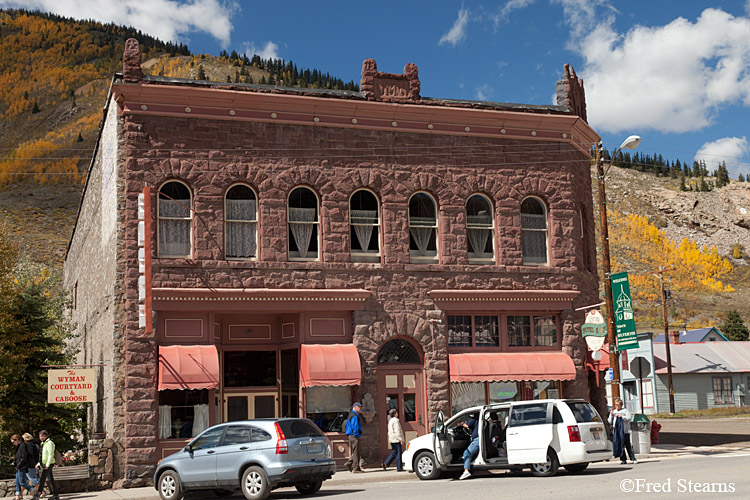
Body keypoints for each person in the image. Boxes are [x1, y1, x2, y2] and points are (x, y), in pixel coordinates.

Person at [609, 398, 637, 464]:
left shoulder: (625, 411)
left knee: (628, 445)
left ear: (621, 405)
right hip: (617, 431)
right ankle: (623, 459)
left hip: (625, 431)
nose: (616, 406)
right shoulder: (614, 411)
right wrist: (611, 414)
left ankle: (633, 458)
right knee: (620, 445)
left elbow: (629, 418)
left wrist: (622, 417)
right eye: (615, 405)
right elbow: (609, 421)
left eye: (618, 405)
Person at [33, 430, 59, 500]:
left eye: (42, 436)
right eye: (40, 436)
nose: (41, 437)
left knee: (42, 480)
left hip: (49, 464)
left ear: (46, 436)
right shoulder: (43, 443)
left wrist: (47, 464)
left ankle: (37, 496)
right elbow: (42, 455)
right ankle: (56, 495)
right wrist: (39, 463)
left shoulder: (49, 443)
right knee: (50, 479)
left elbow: (50, 454)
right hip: (45, 464)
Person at [12, 434, 34, 500]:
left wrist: (18, 465)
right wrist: (15, 464)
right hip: (19, 467)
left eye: (13, 442)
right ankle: (18, 496)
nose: (13, 443)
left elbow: (23, 458)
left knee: (22, 483)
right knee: (17, 482)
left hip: (22, 467)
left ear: (17, 440)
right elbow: (17, 457)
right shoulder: (18, 447)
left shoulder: (23, 446)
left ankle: (34, 491)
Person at [343, 402, 364, 473]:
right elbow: (355, 426)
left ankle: (349, 464)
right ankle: (355, 468)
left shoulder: (353, 414)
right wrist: (356, 434)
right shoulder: (354, 415)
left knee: (356, 451)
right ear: (355, 407)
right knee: (356, 452)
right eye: (359, 407)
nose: (360, 408)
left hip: (352, 435)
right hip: (354, 435)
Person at [459, 414, 480, 480]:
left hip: (477, 440)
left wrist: (462, 424)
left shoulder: (473, 420)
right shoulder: (479, 421)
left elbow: (467, 426)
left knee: (467, 453)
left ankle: (466, 471)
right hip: (478, 439)